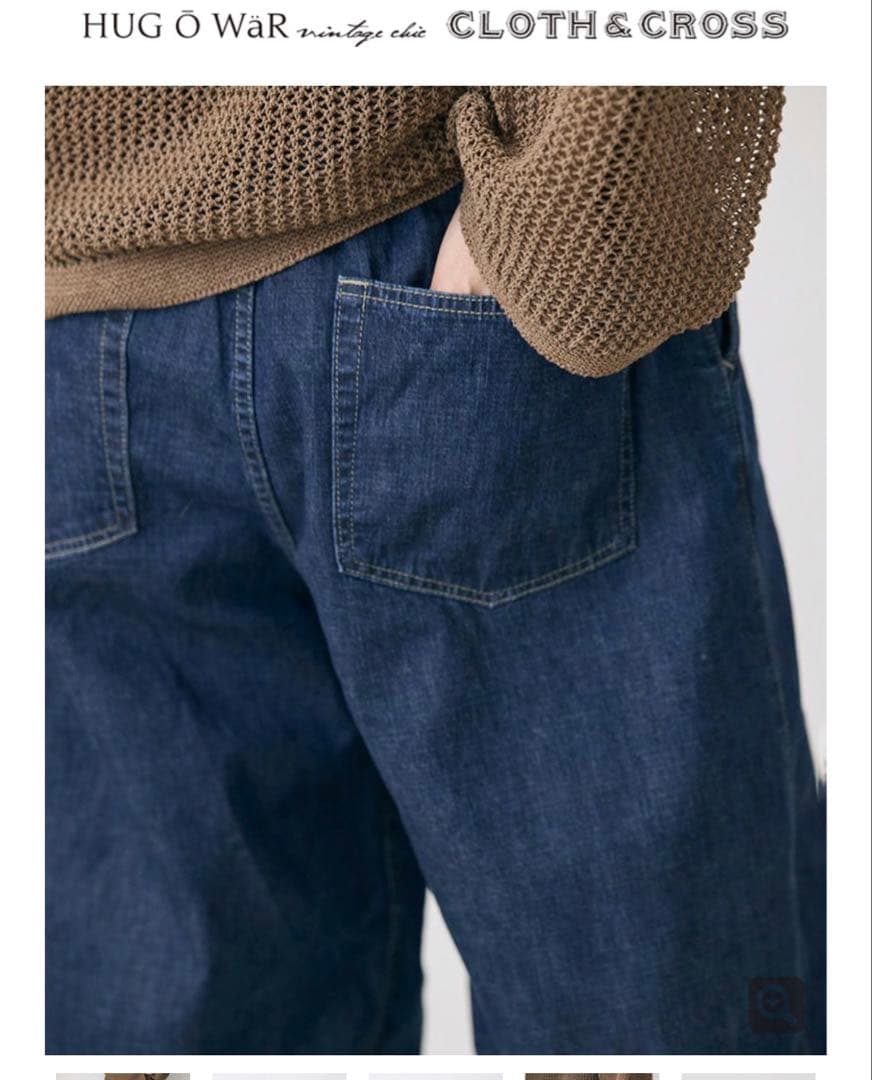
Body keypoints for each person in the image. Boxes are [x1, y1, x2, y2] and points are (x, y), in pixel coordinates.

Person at [45, 86, 825, 1053]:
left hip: (110, 326)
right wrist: (568, 207)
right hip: (139, 309)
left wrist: (558, 216)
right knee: (659, 1023)